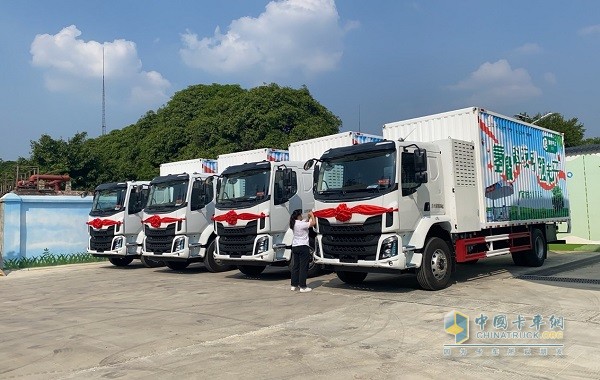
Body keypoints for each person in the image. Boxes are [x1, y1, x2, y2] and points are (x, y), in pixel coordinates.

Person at [289, 209, 316, 293]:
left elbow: (306, 221)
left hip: (295, 246)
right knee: (303, 267)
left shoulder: (294, 223)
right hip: (303, 246)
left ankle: (294, 285)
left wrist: (308, 217)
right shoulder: (301, 224)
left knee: (295, 266)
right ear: (298, 216)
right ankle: (303, 286)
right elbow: (313, 223)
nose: (302, 216)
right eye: (301, 215)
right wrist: (312, 215)